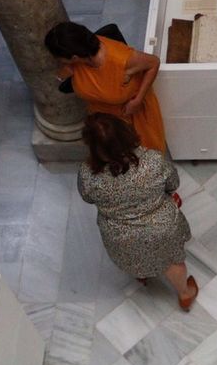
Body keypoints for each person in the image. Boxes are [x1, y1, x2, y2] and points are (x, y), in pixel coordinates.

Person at [76, 113, 196, 311]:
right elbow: (173, 183)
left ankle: (142, 273)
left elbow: (87, 198)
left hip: (120, 235)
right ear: (127, 134)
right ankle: (185, 294)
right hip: (161, 228)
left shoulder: (87, 175)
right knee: (172, 262)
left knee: (135, 256)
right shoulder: (153, 161)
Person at [43, 21, 166, 153]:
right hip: (104, 119)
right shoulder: (77, 62)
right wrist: (63, 74)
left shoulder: (121, 60)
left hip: (132, 116)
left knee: (143, 156)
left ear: (74, 57)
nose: (58, 61)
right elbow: (62, 80)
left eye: (59, 58)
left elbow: (154, 62)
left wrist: (138, 100)